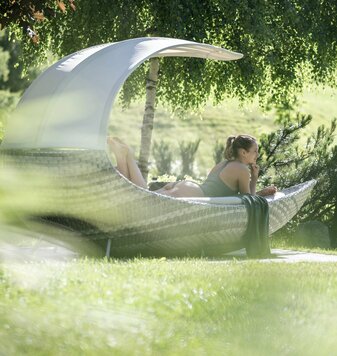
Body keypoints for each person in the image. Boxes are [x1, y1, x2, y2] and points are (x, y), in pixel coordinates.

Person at [108, 135, 277, 197]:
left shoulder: (223, 163)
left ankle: (125, 158)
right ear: (243, 153)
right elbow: (247, 201)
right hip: (193, 192)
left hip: (186, 186)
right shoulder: (242, 170)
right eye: (255, 151)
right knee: (142, 198)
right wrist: (254, 178)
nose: (257, 154)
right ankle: (127, 156)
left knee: (142, 195)